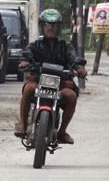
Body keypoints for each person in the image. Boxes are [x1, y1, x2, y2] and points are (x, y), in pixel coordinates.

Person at [14, 9, 87, 145]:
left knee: (71, 96)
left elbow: (74, 58)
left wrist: (79, 68)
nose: (51, 28)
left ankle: (62, 132)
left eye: (54, 25)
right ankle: (23, 125)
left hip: (61, 85)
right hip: (38, 82)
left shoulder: (66, 46)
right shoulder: (35, 45)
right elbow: (26, 54)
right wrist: (25, 61)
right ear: (42, 26)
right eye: (48, 25)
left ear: (59, 28)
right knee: (29, 89)